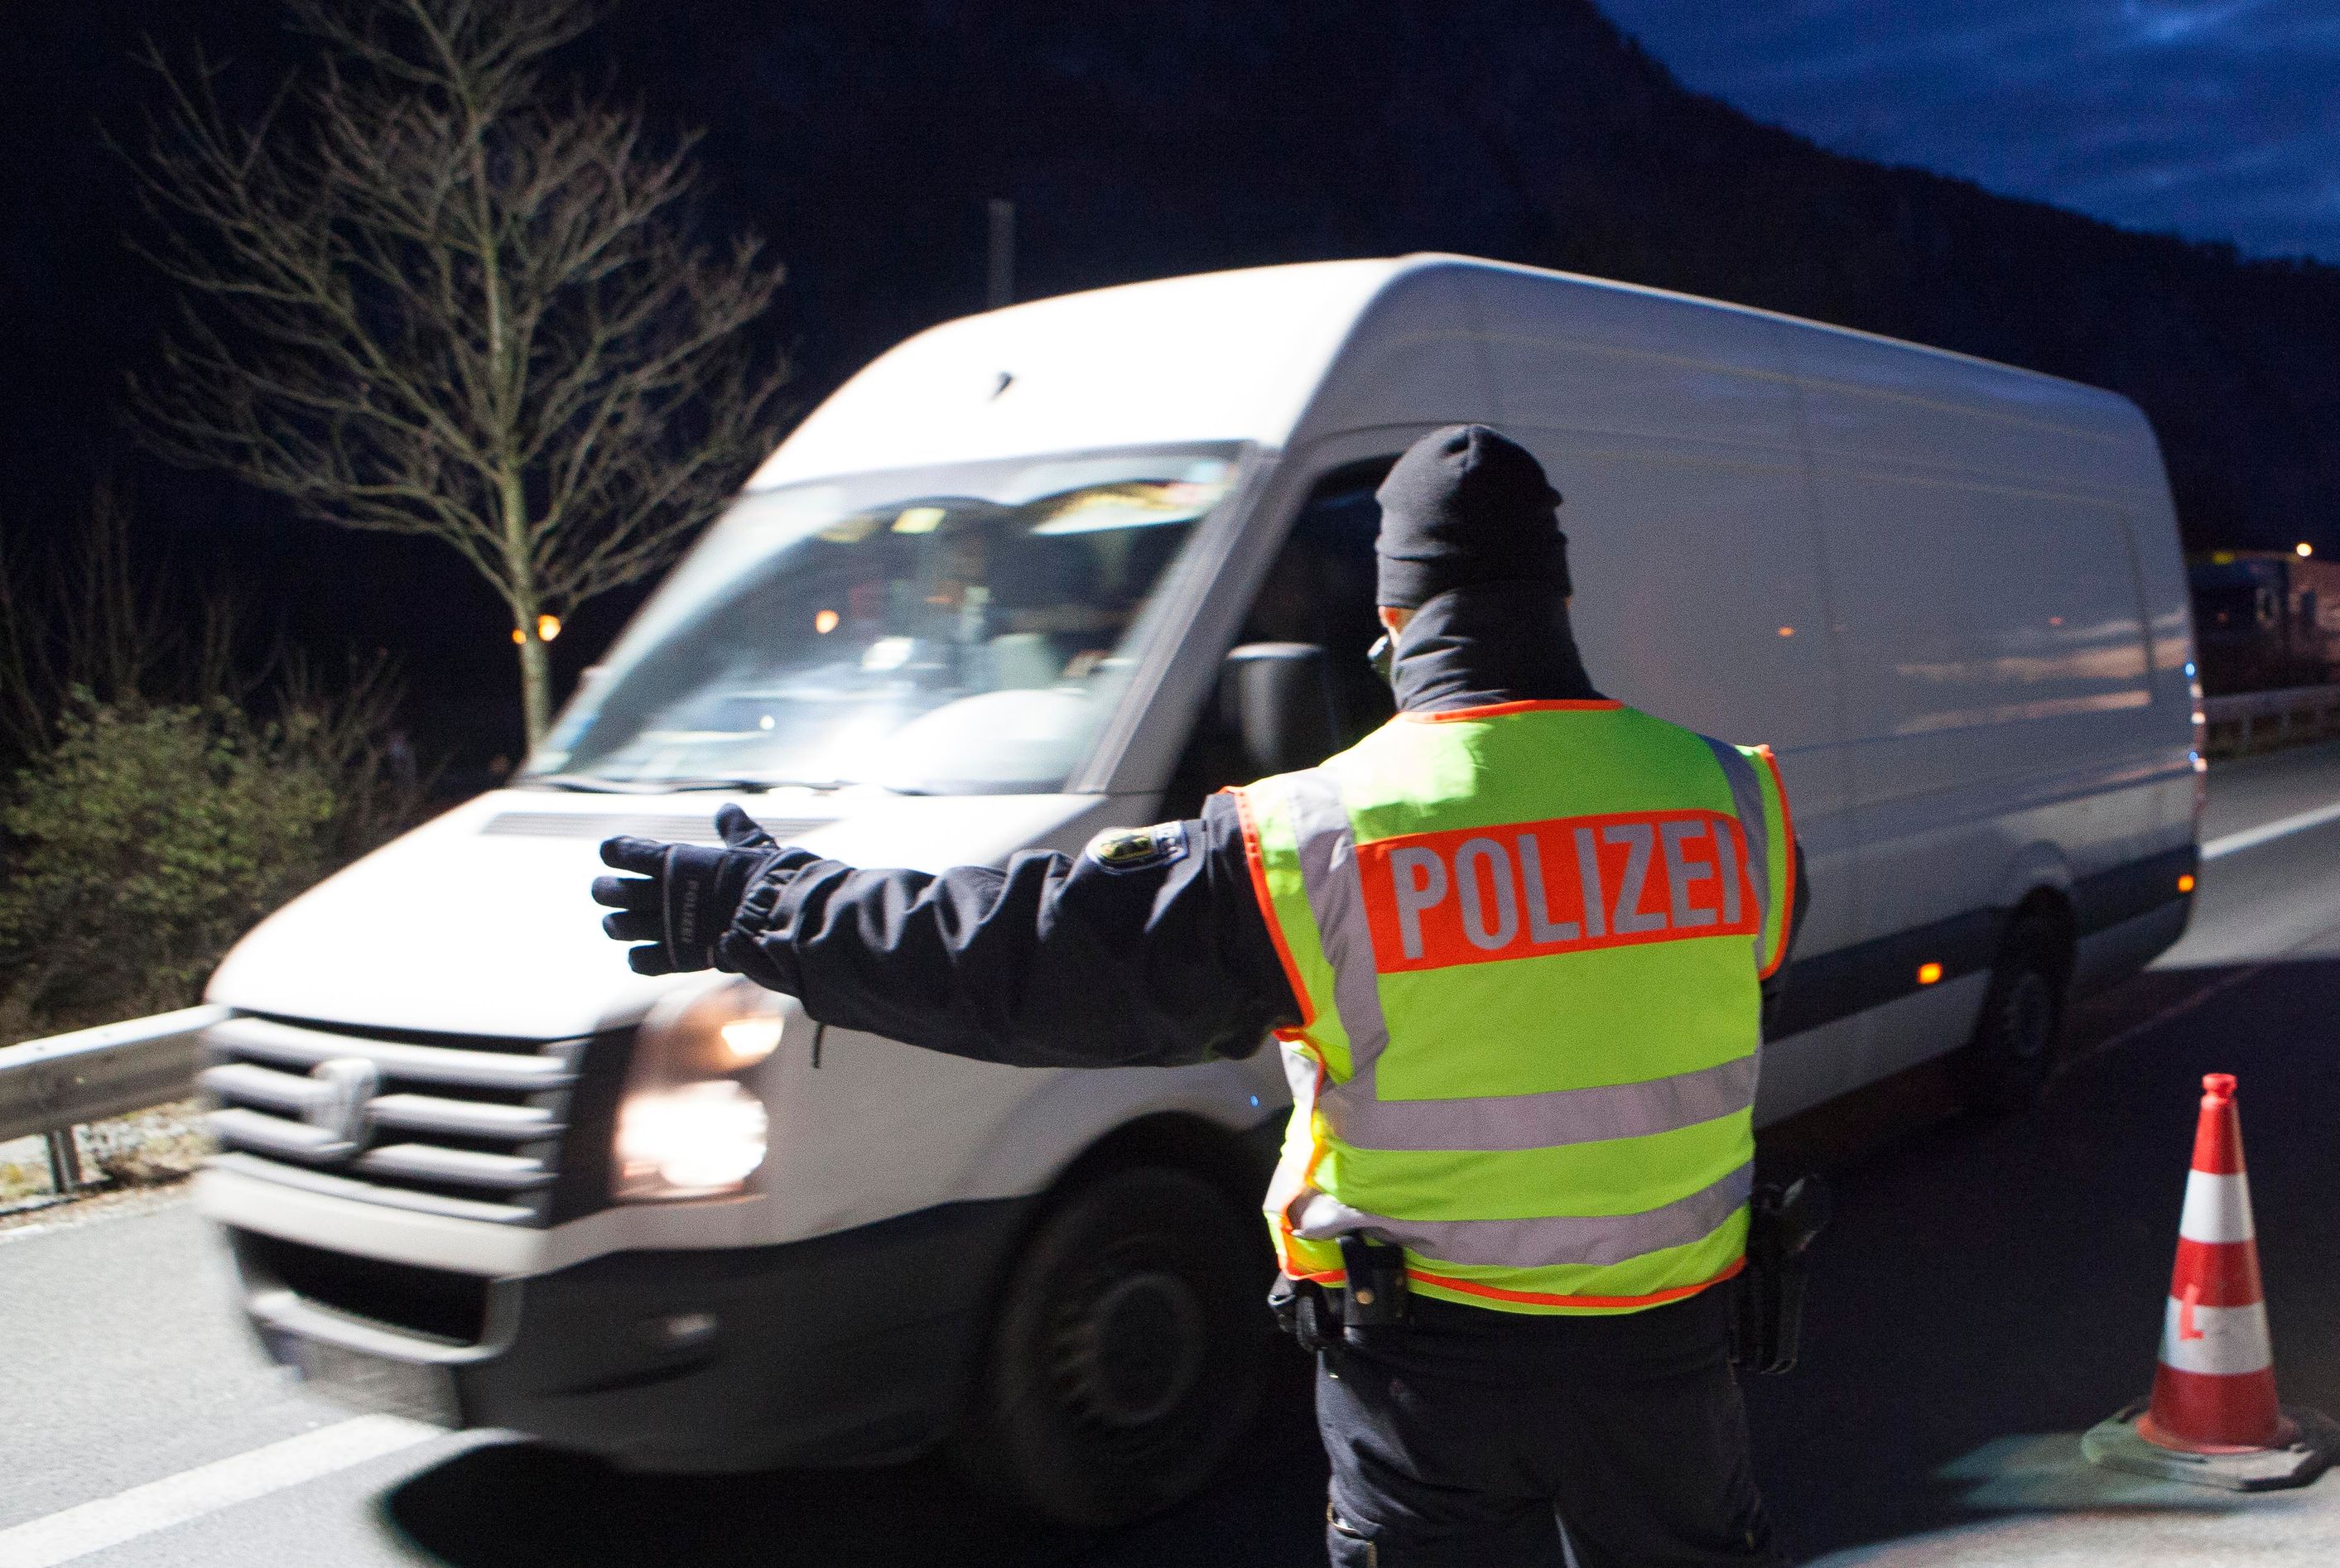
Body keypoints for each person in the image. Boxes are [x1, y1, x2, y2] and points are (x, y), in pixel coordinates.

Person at [591, 426, 1802, 1566]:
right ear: (1561, 596)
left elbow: (1022, 956)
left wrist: (771, 905)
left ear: (1392, 616)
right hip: (1671, 1369)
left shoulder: (1314, 838)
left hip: (1432, 1389)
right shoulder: (1733, 802)